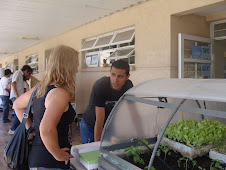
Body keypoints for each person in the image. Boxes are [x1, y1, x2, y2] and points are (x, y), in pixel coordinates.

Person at [13, 45, 79, 169]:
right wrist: (58, 154)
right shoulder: (60, 93)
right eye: (76, 65)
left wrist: (30, 129)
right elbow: (46, 129)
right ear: (68, 67)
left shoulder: (40, 88)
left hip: (38, 157)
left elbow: (17, 105)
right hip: (49, 162)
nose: (77, 70)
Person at [80, 60, 133, 144]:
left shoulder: (128, 86)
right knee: (90, 151)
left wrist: (140, 133)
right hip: (91, 124)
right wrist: (98, 145)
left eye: (120, 76)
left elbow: (133, 112)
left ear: (127, 77)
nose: (115, 80)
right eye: (113, 75)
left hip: (109, 125)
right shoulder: (101, 85)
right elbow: (99, 120)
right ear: (110, 72)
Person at [8, 65, 33, 134]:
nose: (28, 75)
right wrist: (17, 95)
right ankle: (13, 129)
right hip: (16, 96)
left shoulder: (21, 76)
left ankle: (17, 128)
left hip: (18, 96)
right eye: (29, 73)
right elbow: (13, 83)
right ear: (26, 71)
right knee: (19, 112)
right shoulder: (18, 73)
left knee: (20, 112)